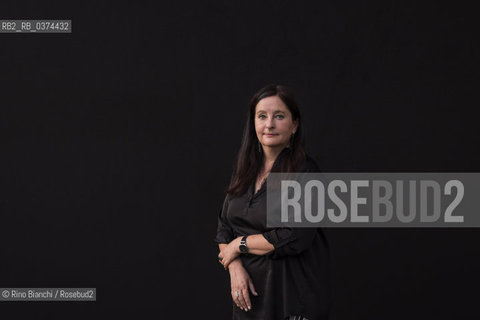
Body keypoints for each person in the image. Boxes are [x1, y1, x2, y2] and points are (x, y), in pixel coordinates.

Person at [215, 84, 331, 320]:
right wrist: (234, 267)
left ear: (294, 125)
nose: (269, 124)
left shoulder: (305, 172)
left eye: (279, 116)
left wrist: (239, 245)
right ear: (253, 123)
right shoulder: (245, 170)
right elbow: (223, 228)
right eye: (262, 116)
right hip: (249, 301)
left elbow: (295, 235)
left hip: (291, 298)